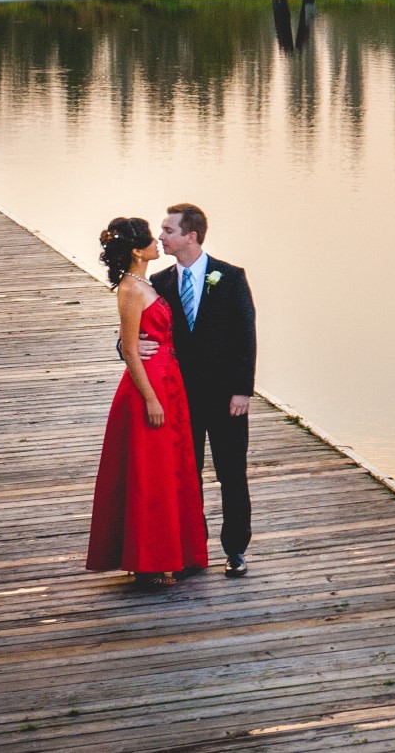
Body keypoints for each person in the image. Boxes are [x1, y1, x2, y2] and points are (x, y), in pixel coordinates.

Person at [85, 217, 208, 586]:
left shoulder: (146, 283)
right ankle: (148, 562)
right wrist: (150, 398)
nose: (158, 242)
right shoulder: (131, 289)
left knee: (172, 470)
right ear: (137, 251)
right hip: (150, 388)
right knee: (149, 476)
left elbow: (135, 340)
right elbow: (132, 351)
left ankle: (177, 553)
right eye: (150, 240)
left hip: (170, 382)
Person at [150, 203, 258, 578]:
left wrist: (242, 390)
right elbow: (141, 331)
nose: (160, 237)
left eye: (167, 230)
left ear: (190, 236)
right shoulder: (159, 283)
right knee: (185, 474)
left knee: (232, 473)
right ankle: (193, 550)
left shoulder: (229, 277)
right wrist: (126, 348)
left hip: (228, 399)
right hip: (180, 400)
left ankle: (235, 550)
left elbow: (247, 337)